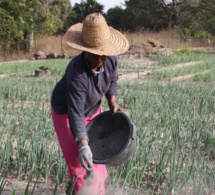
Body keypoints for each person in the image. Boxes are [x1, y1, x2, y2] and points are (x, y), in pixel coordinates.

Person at [51, 13, 129, 195]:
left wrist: (112, 102)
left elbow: (113, 80)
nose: (99, 60)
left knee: (98, 156)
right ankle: (82, 190)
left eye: (103, 56)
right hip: (67, 111)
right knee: (80, 162)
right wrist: (83, 144)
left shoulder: (111, 59)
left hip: (93, 108)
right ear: (85, 49)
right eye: (94, 56)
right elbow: (76, 112)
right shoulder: (77, 73)